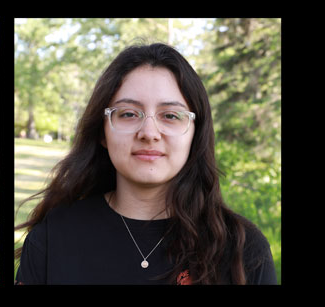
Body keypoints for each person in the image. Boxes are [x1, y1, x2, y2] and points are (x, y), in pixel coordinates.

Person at [15, 43, 275, 284]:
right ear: (102, 131)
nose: (149, 132)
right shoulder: (53, 237)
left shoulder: (244, 248)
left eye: (170, 115)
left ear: (196, 133)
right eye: (128, 114)